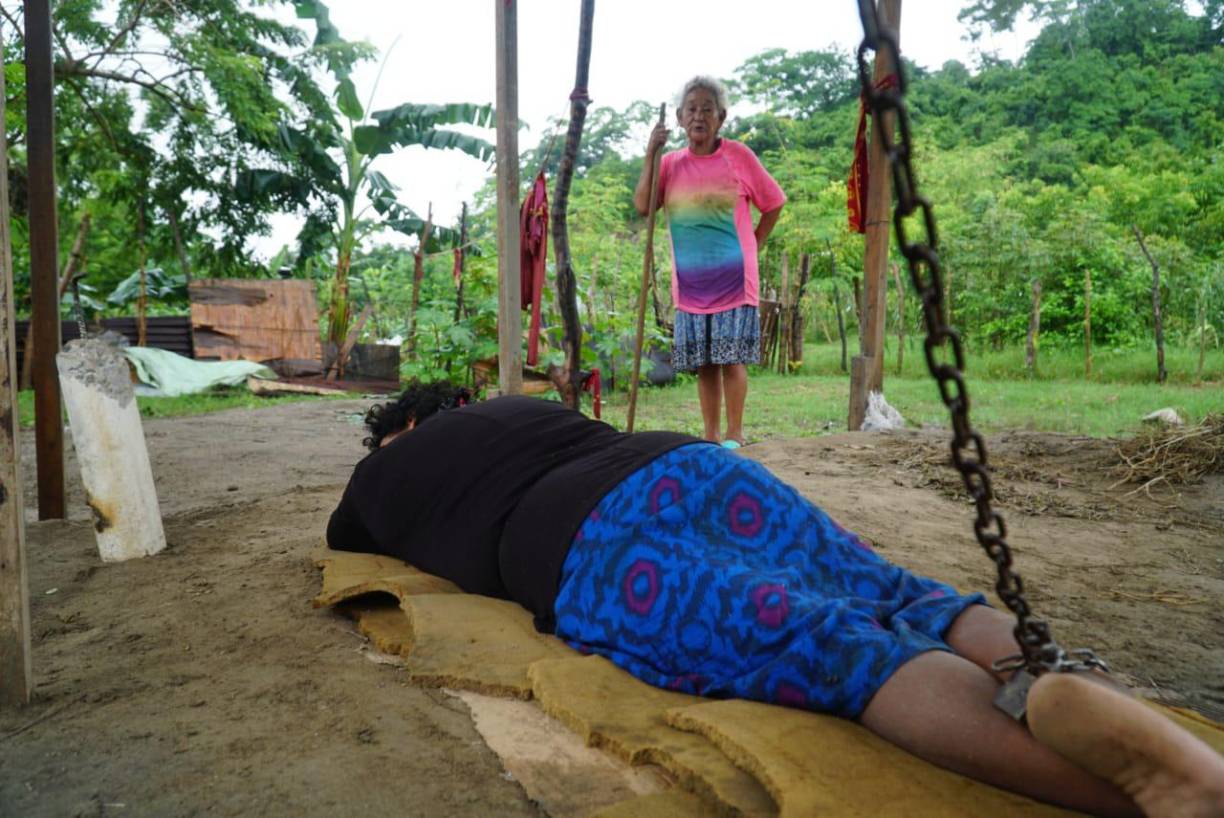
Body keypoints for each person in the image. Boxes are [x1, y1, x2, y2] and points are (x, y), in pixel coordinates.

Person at [327, 384, 1224, 818]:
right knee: (894, 591)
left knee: (827, 642)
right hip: (689, 463)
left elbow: (344, 538)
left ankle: (1141, 795)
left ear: (400, 427)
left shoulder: (387, 465)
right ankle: (1060, 683)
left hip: (584, 539)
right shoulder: (530, 406)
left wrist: (390, 473)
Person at [634, 76, 785, 449]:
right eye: (691, 109)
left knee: (731, 358)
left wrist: (755, 243)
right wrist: (651, 153)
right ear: (679, 118)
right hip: (691, 283)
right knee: (705, 363)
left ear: (722, 116)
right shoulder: (669, 165)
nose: (699, 116)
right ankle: (711, 436)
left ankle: (734, 434)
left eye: (707, 109)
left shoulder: (738, 156)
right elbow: (643, 206)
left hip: (734, 278)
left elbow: (774, 202)